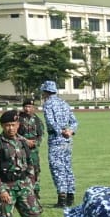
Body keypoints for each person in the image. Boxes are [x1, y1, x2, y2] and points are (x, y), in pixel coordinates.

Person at [0, 110, 46, 217]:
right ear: (2, 126)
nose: (10, 128)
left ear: (18, 125)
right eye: (7, 125)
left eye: (13, 125)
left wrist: (30, 182)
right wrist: (1, 190)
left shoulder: (23, 142)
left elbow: (31, 163)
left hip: (24, 186)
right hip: (6, 187)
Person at [40, 80, 78, 208]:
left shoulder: (47, 104)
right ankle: (70, 196)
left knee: (57, 168)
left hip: (56, 138)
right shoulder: (64, 103)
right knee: (67, 167)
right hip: (67, 140)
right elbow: (74, 122)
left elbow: (51, 122)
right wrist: (70, 131)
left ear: (45, 91)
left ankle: (62, 198)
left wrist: (61, 132)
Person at [17, 98, 45, 203]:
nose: (27, 109)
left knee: (36, 170)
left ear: (34, 108)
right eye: (25, 106)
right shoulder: (18, 119)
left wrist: (35, 143)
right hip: (21, 149)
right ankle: (22, 191)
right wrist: (25, 141)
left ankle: (35, 192)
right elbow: (14, 134)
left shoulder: (37, 120)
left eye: (29, 107)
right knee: (22, 169)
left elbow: (41, 134)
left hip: (33, 150)